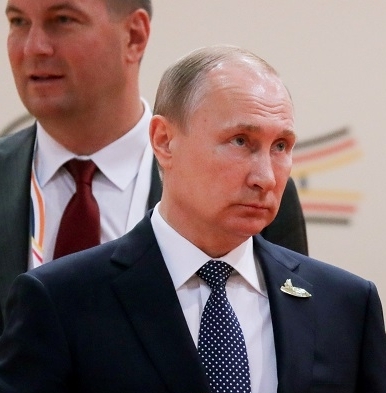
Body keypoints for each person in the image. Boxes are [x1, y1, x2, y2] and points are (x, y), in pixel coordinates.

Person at [0, 45, 386, 393]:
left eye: (281, 146)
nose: (266, 177)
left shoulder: (344, 304)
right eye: (241, 141)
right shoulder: (60, 299)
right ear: (164, 141)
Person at [0, 0, 308, 331]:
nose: (33, 47)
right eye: (18, 22)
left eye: (62, 19)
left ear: (134, 36)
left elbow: (288, 340)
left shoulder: (253, 191)